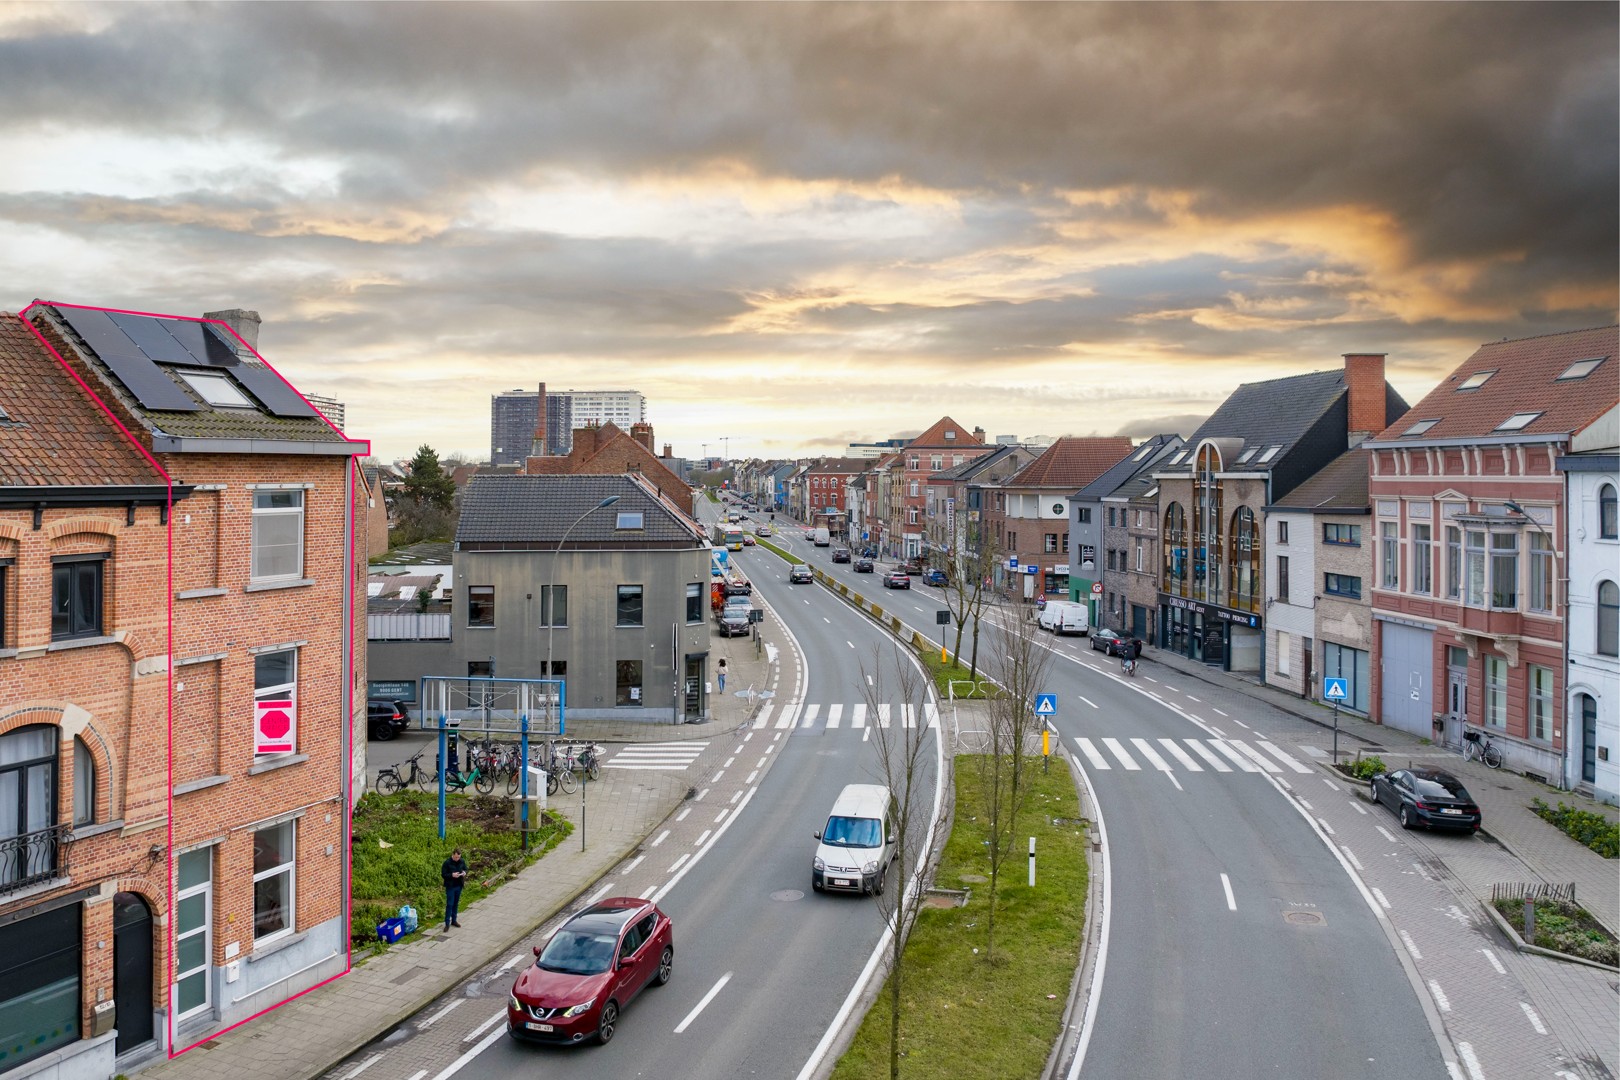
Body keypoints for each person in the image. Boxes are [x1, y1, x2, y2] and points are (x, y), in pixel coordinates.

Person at [441, 847, 468, 930]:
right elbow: (443, 874)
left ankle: (454, 920)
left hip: (458, 885)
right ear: (453, 855)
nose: (457, 859)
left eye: (459, 857)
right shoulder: (447, 863)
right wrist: (452, 875)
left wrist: (464, 872)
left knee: (456, 903)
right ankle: (447, 923)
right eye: (456, 857)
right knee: (450, 904)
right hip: (450, 886)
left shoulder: (462, 861)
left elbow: (466, 868)